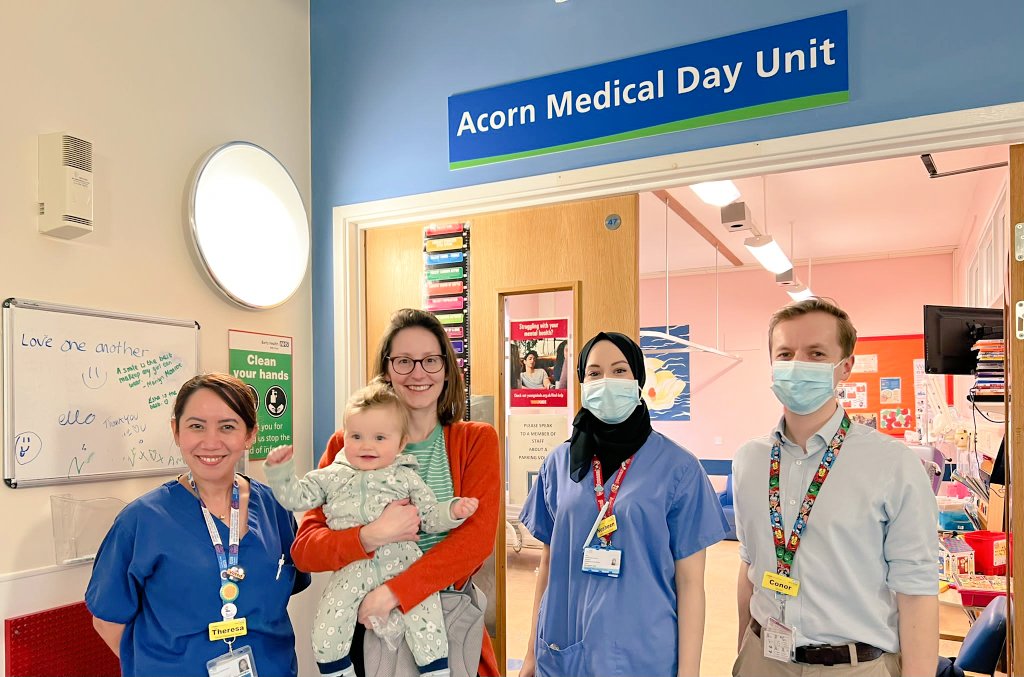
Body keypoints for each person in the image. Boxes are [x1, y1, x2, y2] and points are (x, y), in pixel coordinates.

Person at [732, 298, 939, 677]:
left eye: (816, 353)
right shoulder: (748, 460)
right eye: (786, 353)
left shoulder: (892, 463)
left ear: (845, 368)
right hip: (763, 658)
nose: (798, 365)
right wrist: (743, 654)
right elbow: (749, 566)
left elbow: (917, 591)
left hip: (854, 665)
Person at [291, 308, 501, 677]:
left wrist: (394, 593)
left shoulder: (475, 440)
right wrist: (372, 535)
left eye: (430, 360)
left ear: (447, 368)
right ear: (386, 369)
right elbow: (306, 549)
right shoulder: (347, 445)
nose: (418, 373)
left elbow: (475, 541)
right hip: (367, 630)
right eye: (404, 361)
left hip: (441, 622)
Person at [519, 331, 729, 677]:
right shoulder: (559, 463)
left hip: (644, 654)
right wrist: (530, 654)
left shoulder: (679, 468)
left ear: (638, 380)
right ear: (582, 383)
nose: (606, 381)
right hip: (564, 649)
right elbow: (548, 561)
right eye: (595, 373)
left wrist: (689, 672)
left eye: (619, 371)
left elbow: (691, 584)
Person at [86, 373, 310, 677]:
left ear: (250, 435)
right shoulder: (142, 520)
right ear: (176, 431)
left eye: (228, 427)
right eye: (196, 426)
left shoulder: (275, 507)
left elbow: (282, 592)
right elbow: (108, 620)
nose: (211, 441)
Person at [264, 380, 479, 677]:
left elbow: (429, 517)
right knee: (328, 622)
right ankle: (336, 670)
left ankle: (435, 670)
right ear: (345, 438)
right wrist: (281, 473)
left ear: (401, 443)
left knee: (425, 616)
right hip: (353, 567)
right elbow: (296, 498)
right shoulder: (331, 476)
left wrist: (452, 510)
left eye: (379, 437)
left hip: (404, 562)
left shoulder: (406, 477)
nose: (367, 445)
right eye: (356, 436)